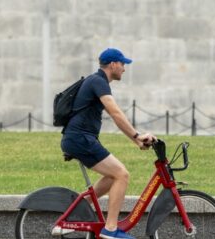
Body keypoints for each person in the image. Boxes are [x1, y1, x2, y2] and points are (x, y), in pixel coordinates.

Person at [60, 48, 156, 239]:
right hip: (80, 139)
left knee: (113, 177)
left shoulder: (97, 81)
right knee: (122, 174)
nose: (124, 69)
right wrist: (137, 135)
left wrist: (136, 140)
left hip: (79, 139)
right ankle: (110, 229)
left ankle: (77, 210)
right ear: (113, 64)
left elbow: (116, 117)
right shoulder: (98, 82)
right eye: (123, 64)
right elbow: (116, 113)